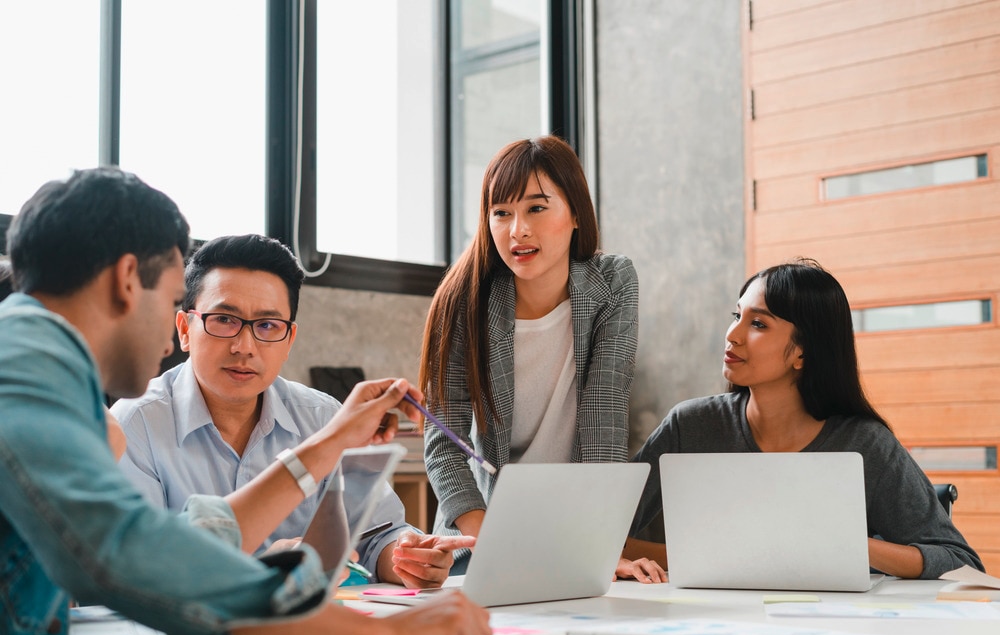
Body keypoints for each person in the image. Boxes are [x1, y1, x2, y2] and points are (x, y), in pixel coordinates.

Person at [0, 168, 490, 635]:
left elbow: (181, 544)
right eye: (174, 302)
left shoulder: (35, 363)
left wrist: (330, 445)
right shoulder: (23, 366)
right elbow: (128, 554)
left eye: (267, 326)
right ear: (129, 280)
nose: (170, 344)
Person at [113, 234, 473, 588]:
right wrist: (266, 567)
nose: (245, 346)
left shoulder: (322, 416)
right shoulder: (136, 424)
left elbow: (377, 536)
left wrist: (409, 558)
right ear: (185, 329)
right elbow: (139, 571)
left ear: (289, 340)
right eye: (224, 319)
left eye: (268, 326)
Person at [624, 259, 983, 579]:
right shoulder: (690, 426)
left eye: (758, 324)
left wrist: (844, 546)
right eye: (737, 316)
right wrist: (709, 560)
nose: (732, 336)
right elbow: (603, 537)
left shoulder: (865, 444)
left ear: (802, 352)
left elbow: (959, 562)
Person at [418, 135, 659, 582]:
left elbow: (605, 415)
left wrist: (599, 549)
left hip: (573, 535)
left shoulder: (613, 283)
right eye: (501, 213)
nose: (518, 230)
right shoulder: (463, 299)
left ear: (574, 214)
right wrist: (500, 547)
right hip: (483, 535)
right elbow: (444, 444)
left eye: (536, 208)